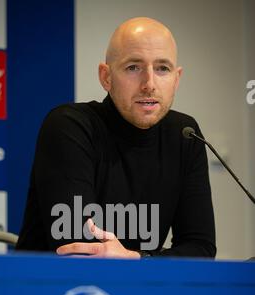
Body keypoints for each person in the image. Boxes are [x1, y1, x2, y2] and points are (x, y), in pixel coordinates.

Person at [16, 17, 216, 258]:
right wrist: (146, 263)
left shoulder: (186, 134)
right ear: (106, 77)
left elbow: (201, 249)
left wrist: (137, 260)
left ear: (176, 79)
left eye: (162, 68)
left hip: (142, 292)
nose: (149, 84)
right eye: (133, 67)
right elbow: (78, 249)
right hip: (51, 290)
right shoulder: (70, 126)